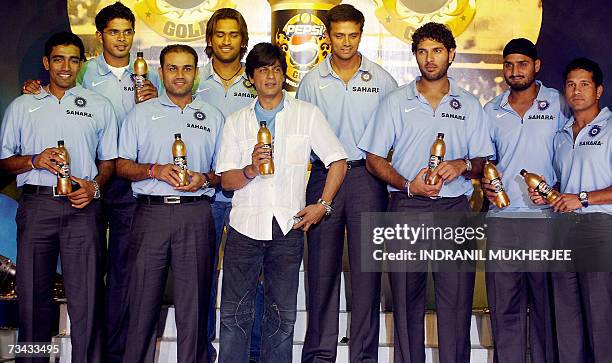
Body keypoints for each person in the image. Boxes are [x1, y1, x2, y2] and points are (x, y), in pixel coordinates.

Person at [21, 4, 159, 361]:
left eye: (127, 32)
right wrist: (35, 89)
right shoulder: (82, 74)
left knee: (124, 276)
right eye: (114, 32)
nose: (122, 39)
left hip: (126, 182)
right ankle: (31, 356)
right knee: (53, 291)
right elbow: (54, 97)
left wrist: (155, 102)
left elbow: (157, 124)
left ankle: (111, 354)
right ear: (99, 37)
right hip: (81, 189)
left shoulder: (149, 77)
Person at [358, 22, 494, 363]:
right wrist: (407, 184)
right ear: (415, 56)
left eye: (436, 51)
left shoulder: (470, 104)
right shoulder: (395, 101)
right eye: (422, 52)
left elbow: (483, 163)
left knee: (457, 302)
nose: (429, 59)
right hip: (406, 207)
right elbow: (373, 158)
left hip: (454, 209)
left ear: (451, 55)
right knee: (406, 301)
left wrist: (462, 164)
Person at [216, 42, 347, 363]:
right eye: (262, 70)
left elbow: (338, 161)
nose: (270, 76)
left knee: (282, 318)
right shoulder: (236, 121)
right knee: (234, 316)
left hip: (287, 228)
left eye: (276, 69)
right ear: (251, 78)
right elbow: (226, 180)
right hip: (244, 228)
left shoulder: (306, 114)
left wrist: (323, 205)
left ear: (284, 75)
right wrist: (250, 168)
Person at [0, 31, 118, 363]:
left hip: (83, 208)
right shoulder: (23, 105)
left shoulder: (99, 105)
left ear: (81, 64)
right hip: (38, 205)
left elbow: (108, 162)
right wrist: (34, 160)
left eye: (73, 59)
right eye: (58, 58)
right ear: (46, 62)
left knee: (86, 302)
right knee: (32, 301)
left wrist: (95, 188)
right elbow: (4, 161)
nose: (65, 66)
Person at [295, 5, 397, 361]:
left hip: (368, 179)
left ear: (361, 34)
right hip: (324, 179)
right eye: (339, 35)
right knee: (321, 273)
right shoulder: (311, 82)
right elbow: (298, 136)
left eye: (353, 35)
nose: (346, 43)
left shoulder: (382, 80)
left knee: (367, 274)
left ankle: (364, 356)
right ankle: (320, 355)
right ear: (327, 36)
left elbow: (393, 137)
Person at [117, 44, 223, 363]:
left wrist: (203, 179)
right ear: (160, 72)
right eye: (173, 68)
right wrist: (155, 170)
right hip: (152, 214)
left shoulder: (213, 117)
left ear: (197, 73)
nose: (180, 75)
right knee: (142, 306)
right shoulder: (140, 113)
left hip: (196, 214)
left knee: (193, 309)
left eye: (187, 68)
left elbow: (222, 173)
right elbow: (121, 165)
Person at [481, 38, 566, 362]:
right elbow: (483, 162)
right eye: (509, 64)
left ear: (536, 66)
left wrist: (555, 188)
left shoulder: (558, 103)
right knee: (505, 308)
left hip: (546, 221)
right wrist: (484, 183)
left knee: (546, 308)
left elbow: (568, 152)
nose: (515, 71)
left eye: (522, 64)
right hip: (503, 221)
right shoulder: (492, 109)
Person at [530, 57, 612, 363]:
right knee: (566, 322)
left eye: (584, 84)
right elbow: (562, 186)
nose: (576, 91)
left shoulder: (610, 128)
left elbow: (581, 194)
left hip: (599, 231)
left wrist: (583, 198)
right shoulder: (562, 135)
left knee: (600, 321)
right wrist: (548, 197)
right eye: (571, 84)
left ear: (599, 90)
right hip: (563, 232)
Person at [195, 8, 264, 362]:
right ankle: (203, 352)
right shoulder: (192, 80)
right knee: (203, 278)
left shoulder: (257, 83)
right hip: (204, 194)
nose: (226, 40)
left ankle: (253, 353)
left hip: (247, 195)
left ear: (243, 39)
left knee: (251, 280)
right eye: (219, 34)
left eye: (233, 34)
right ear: (210, 40)